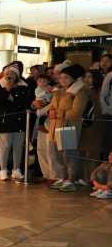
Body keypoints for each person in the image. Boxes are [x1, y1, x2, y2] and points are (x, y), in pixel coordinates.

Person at [49, 64, 90, 192]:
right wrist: (51, 111)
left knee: (69, 155)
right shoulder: (59, 91)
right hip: (54, 127)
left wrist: (58, 114)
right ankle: (62, 177)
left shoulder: (79, 91)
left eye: (66, 78)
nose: (62, 80)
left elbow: (77, 112)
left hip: (68, 127)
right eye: (61, 77)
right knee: (56, 154)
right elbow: (52, 106)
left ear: (73, 78)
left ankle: (71, 179)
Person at [0, 67, 30, 182]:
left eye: (12, 74)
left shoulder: (23, 88)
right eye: (8, 74)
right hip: (5, 122)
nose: (10, 75)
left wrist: (12, 98)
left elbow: (24, 103)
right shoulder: (0, 87)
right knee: (5, 147)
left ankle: (16, 170)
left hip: (19, 122)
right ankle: (3, 170)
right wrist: (6, 91)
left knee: (18, 147)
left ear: (17, 76)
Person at [100, 53, 112, 161]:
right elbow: (103, 95)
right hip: (109, 115)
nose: (104, 63)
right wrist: (107, 110)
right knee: (108, 142)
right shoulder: (109, 75)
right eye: (102, 61)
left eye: (107, 61)